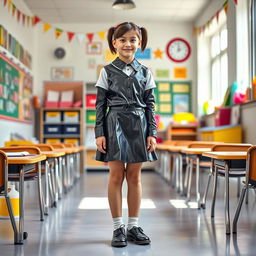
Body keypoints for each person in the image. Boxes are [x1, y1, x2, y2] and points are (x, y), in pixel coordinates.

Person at [94, 22, 158, 247]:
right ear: (114, 43)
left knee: (134, 177)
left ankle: (133, 226)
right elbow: (100, 105)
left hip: (139, 125)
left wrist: (152, 133)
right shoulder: (106, 71)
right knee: (115, 176)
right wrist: (99, 133)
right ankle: (117, 227)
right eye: (122, 40)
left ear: (139, 43)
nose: (127, 44)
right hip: (114, 124)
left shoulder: (146, 72)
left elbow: (151, 105)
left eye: (132, 40)